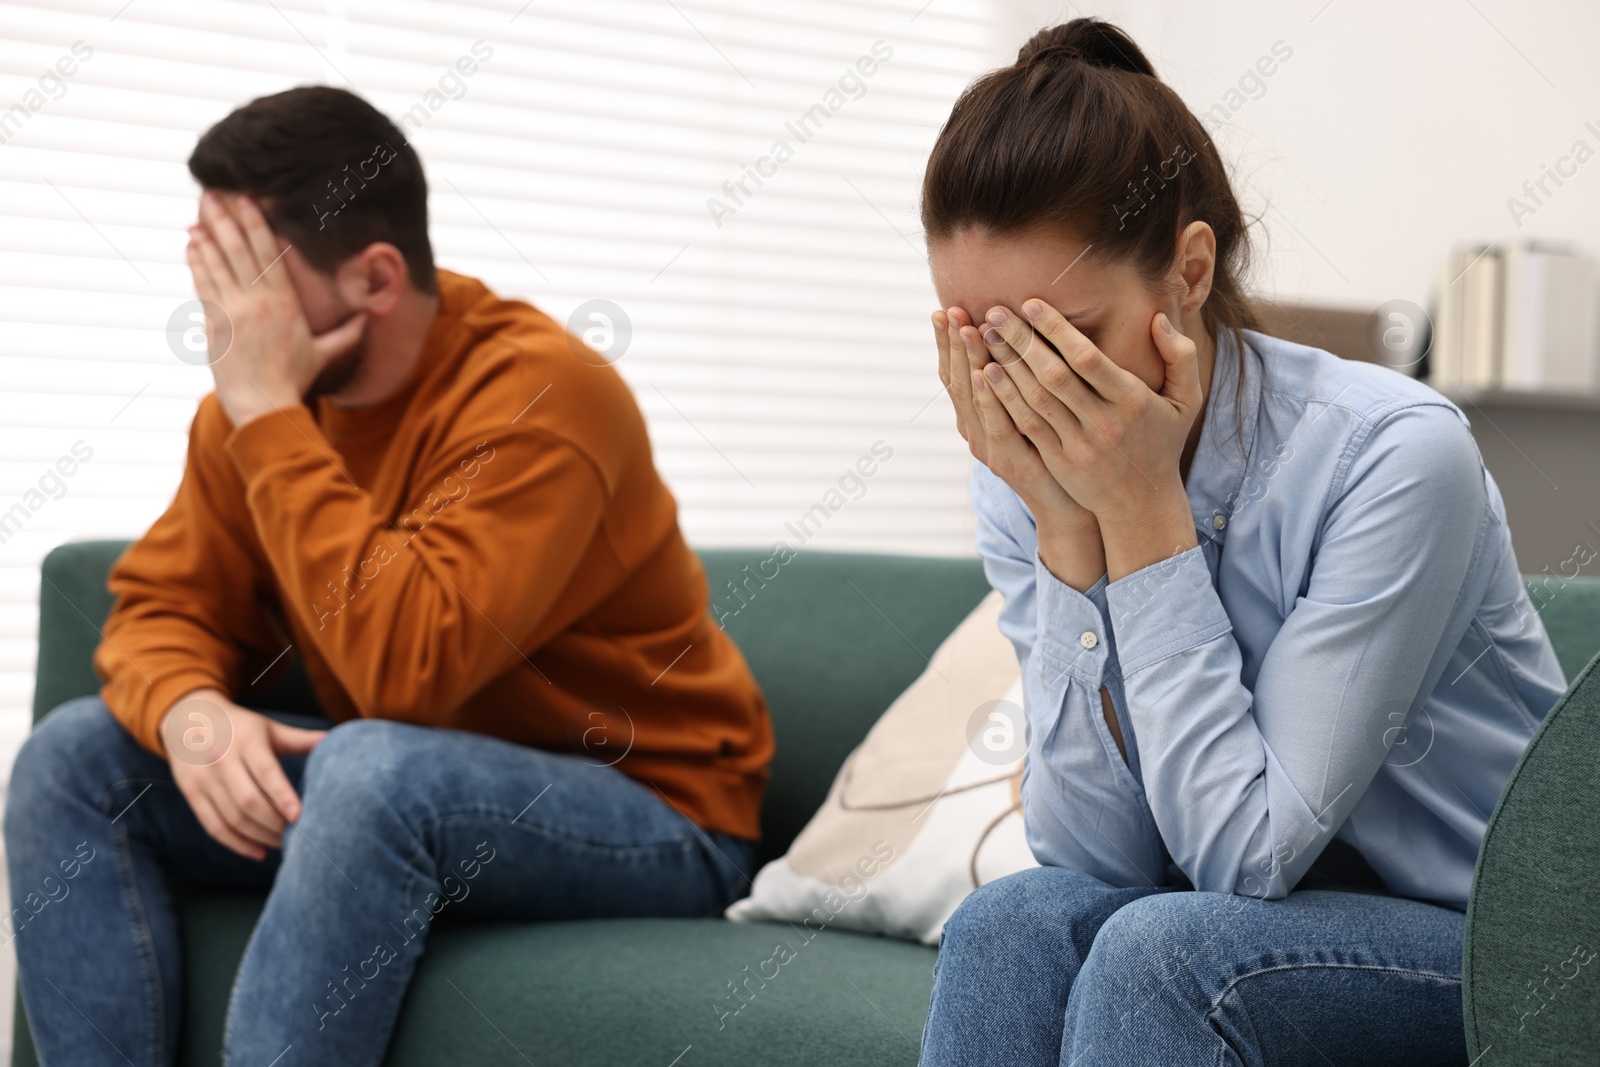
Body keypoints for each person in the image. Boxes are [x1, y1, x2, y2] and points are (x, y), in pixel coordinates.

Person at [4, 86, 773, 1066]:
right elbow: (163, 603)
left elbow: (410, 670)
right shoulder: (254, 407)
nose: (221, 319)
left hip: (651, 809)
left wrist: (270, 422)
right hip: (409, 783)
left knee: (370, 768)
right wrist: (190, 709)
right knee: (74, 758)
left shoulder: (543, 394)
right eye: (210, 269)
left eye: (250, 280)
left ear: (373, 277)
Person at [917, 19, 1564, 1067]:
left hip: (1496, 944)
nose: (1026, 387)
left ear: (1186, 271)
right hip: (1246, 927)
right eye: (985, 342)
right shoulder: (1025, 470)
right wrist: (1069, 529)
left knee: (1164, 950)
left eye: (1065, 336)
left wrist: (1139, 520)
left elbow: (1244, 854)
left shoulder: (1392, 454)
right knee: (1010, 920)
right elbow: (1091, 855)